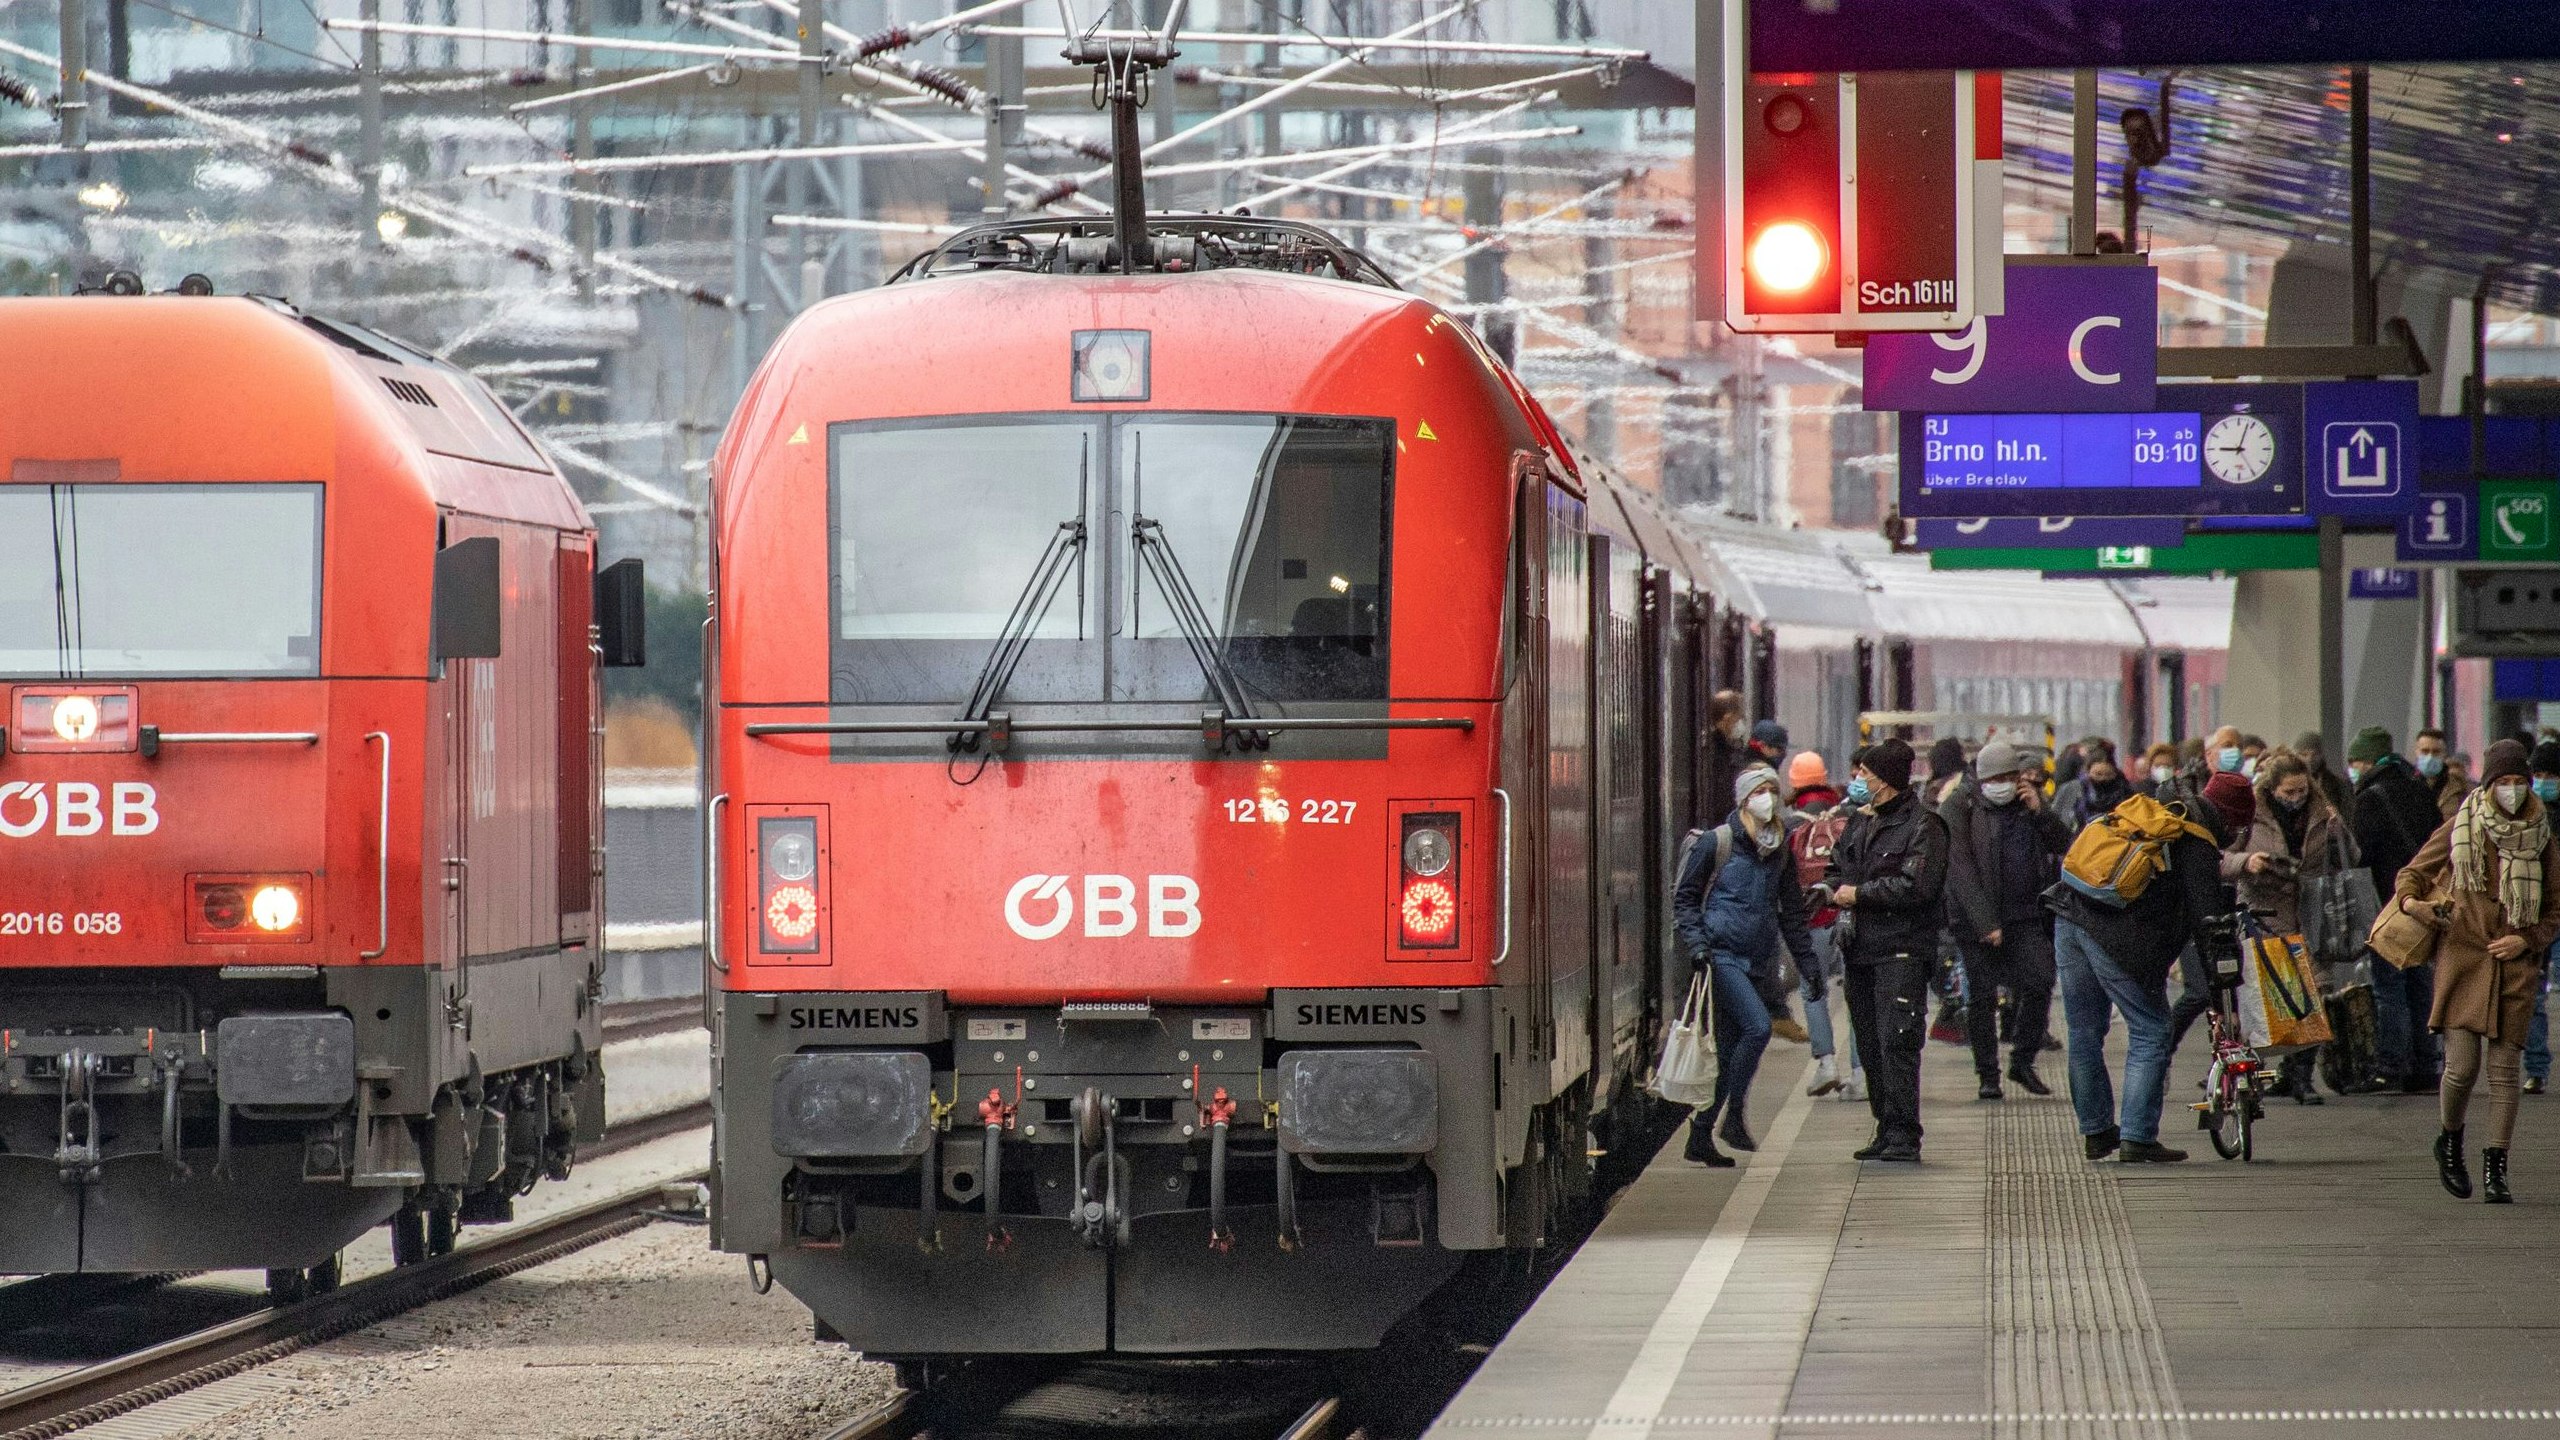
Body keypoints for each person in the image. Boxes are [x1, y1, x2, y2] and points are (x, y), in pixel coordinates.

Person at [2044, 767, 2241, 1163]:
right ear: (2230, 821)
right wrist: (2222, 976)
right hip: (2113, 934)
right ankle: (2137, 1136)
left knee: (2084, 1031)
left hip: (2069, 912)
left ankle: (2097, 1131)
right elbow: (2208, 923)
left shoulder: (2146, 810)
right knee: (2152, 1028)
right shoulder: (2198, 842)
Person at [2399, 740, 2560, 1203]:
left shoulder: (2543, 835)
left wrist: (2527, 939)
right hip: (2464, 958)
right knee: (2462, 1068)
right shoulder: (2461, 826)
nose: (2512, 790)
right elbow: (2412, 875)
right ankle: (2449, 1140)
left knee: (2506, 1071)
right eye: (2503, 782)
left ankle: (2496, 1166)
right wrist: (2416, 906)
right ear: (2487, 785)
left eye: (2518, 782)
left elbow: (2554, 909)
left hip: (2515, 966)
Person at [1672, 764, 1821, 1167]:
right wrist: (1698, 944)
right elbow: (1685, 898)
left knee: (1729, 1049)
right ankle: (1734, 1115)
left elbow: (1791, 911)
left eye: (1773, 790)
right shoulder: (1717, 843)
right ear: (1743, 799)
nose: (1768, 798)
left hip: (1757, 961)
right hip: (1721, 956)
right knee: (1757, 1028)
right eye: (1760, 791)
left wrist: (1808, 964)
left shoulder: (1779, 850)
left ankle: (1700, 1135)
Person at [1824, 738, 1950, 1164]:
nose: (1859, 781)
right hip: (1859, 948)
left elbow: (1918, 886)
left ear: (1889, 782)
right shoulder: (1860, 821)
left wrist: (1858, 893)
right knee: (1870, 1041)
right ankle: (1884, 1125)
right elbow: (1839, 866)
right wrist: (1828, 889)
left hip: (1901, 949)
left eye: (1868, 776)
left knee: (1897, 1037)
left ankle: (1904, 1132)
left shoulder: (1924, 826)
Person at [1941, 738, 2072, 1100]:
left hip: (2025, 914)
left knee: (2040, 980)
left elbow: (2066, 845)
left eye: (2013, 776)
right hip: (1976, 921)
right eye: (2000, 777)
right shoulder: (1961, 805)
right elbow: (1960, 868)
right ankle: (1988, 1074)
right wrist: (1985, 923)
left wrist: (2040, 811)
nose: (2008, 784)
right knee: (1981, 997)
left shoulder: (2026, 806)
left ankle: (2023, 1059)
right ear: (1983, 778)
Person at [2232, 750, 2354, 1105]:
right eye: (2288, 793)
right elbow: (2221, 856)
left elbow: (2352, 856)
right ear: (2271, 789)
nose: (2296, 798)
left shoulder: (2323, 813)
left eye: (2301, 791)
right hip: (2267, 912)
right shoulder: (2250, 815)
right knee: (2277, 997)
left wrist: (2338, 833)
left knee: (2316, 992)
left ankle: (2300, 1076)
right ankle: (2261, 1073)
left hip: (2314, 911)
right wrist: (2247, 861)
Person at [2351, 725, 2451, 1093]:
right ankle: (2426, 1064)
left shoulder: (2369, 797)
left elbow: (2361, 854)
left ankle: (2390, 1064)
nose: (2353, 768)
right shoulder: (2418, 788)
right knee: (2420, 982)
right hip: (2424, 897)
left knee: (2388, 987)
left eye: (2356, 761)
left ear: (2370, 759)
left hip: (2386, 901)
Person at [1786, 752, 1862, 1100]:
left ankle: (1826, 1063)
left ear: (1794, 782)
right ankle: (1861, 1073)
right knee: (1857, 993)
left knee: (1812, 990)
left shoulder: (1789, 825)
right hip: (1847, 917)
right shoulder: (1849, 816)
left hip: (1811, 921)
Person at [2526, 742, 2560, 1096]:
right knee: (2534, 994)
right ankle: (2537, 1067)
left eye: (2551, 775)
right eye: (2538, 775)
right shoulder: (2526, 814)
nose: (2544, 781)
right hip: (2539, 912)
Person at [2054, 737, 2135, 831]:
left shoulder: (2125, 793)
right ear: (2087, 772)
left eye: (2108, 775)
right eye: (2098, 774)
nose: (2103, 779)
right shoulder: (2071, 790)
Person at [1704, 691, 1749, 828]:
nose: (1741, 723)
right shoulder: (1711, 751)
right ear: (1728, 718)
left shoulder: (1732, 748)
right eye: (1739, 718)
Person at [2416, 727, 2470, 820]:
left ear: (2444, 754)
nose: (2430, 757)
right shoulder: (2405, 784)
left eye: (2436, 752)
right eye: (2425, 751)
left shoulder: (2460, 787)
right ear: (2417, 752)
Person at [2296, 730, 2351, 815]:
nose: (2309, 759)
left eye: (2314, 754)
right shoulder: (2288, 783)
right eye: (2304, 754)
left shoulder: (2336, 785)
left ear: (2321, 755)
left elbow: (2346, 816)